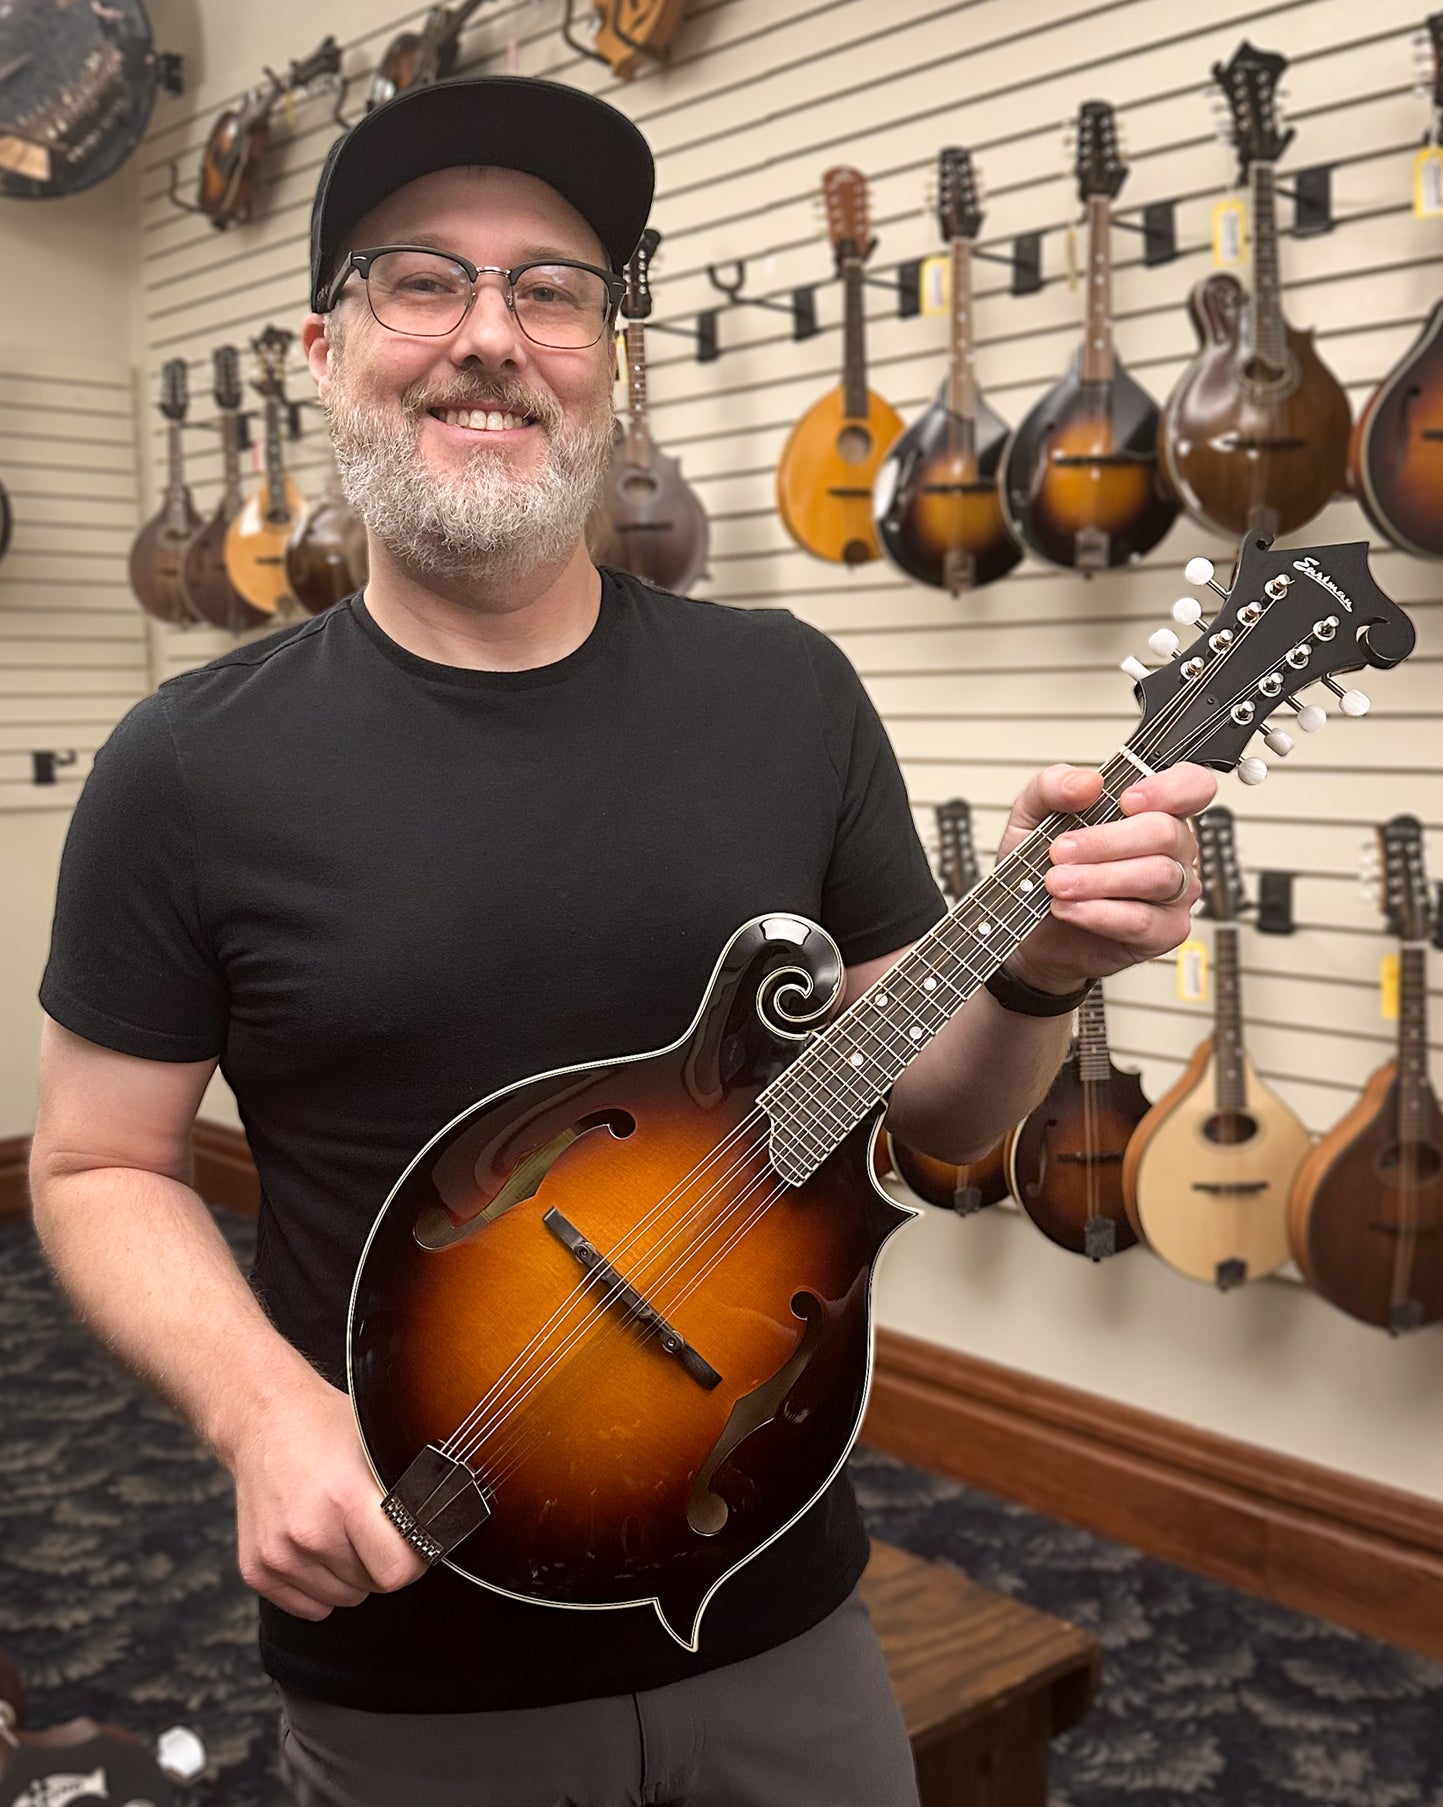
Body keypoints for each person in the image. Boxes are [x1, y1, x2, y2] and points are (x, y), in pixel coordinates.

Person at [28, 74, 1212, 1807]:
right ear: (318, 346)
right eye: (422, 279)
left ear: (611, 355)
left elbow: (930, 1117)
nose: (491, 336)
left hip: (768, 1564)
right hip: (413, 1629)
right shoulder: (188, 767)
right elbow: (92, 1165)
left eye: (554, 289)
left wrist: (1034, 969)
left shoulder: (786, 690)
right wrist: (258, 1413)